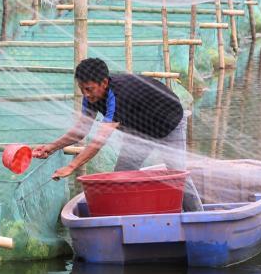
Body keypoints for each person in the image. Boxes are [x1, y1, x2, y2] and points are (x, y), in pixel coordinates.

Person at [32, 58, 200, 209]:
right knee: (122, 174)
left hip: (169, 123)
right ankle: (126, 218)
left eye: (89, 89)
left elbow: (99, 141)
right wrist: (51, 147)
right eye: (83, 89)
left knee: (177, 175)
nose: (86, 94)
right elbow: (80, 132)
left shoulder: (118, 95)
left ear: (104, 82)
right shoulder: (91, 97)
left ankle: (198, 217)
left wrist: (71, 166)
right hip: (140, 129)